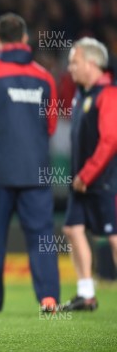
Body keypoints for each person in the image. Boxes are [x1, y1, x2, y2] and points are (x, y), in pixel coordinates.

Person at [0, 13, 60, 312]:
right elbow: (51, 124)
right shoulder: (44, 77)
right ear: (25, 38)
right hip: (35, 170)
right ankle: (49, 297)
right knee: (42, 236)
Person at [62, 37, 117, 311]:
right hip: (82, 181)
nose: (70, 67)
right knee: (72, 229)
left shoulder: (108, 94)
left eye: (75, 61)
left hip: (105, 180)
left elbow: (110, 139)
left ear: (92, 63)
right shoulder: (81, 95)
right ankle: (86, 293)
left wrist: (88, 173)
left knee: (115, 235)